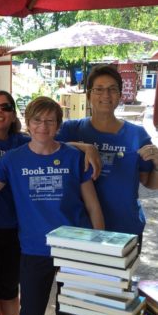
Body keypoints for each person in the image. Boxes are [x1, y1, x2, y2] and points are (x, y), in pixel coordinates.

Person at [0, 96, 104, 315]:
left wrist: (99, 248)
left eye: (50, 121)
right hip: (35, 248)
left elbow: (93, 206)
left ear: (58, 125)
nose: (43, 126)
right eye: (37, 120)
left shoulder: (73, 157)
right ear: (27, 123)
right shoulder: (12, 160)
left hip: (74, 247)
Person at [57, 65, 158, 246]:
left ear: (120, 95)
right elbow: (48, 148)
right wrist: (85, 147)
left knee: (119, 275)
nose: (106, 95)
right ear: (88, 95)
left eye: (112, 89)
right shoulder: (71, 129)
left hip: (125, 228)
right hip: (81, 228)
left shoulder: (137, 135)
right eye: (99, 89)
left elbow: (149, 182)